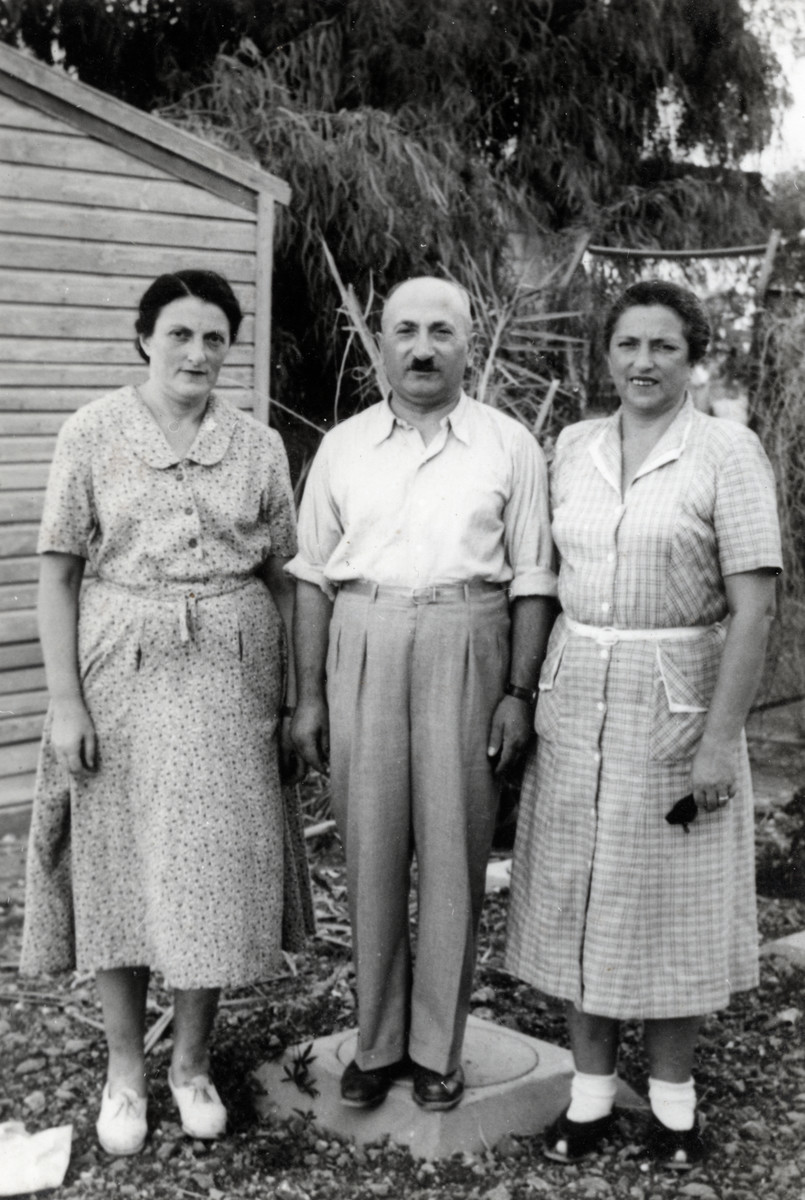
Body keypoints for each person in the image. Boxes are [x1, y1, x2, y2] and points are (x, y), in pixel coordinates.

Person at [21, 270, 313, 1156]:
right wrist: (66, 702)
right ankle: (124, 1073)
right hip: (121, 667)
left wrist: (299, 697)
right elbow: (59, 574)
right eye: (179, 334)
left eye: (214, 337)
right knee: (120, 866)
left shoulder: (258, 446)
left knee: (212, 870)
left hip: (232, 677)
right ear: (144, 337)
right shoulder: (93, 434)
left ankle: (191, 1064)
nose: (196, 353)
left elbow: (284, 577)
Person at [506, 280, 782, 1169]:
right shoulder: (572, 445)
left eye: (663, 346)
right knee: (578, 895)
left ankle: (672, 1108)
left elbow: (756, 612)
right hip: (577, 696)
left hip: (678, 705)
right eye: (627, 345)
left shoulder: (726, 452)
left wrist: (716, 741)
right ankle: (587, 1098)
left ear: (692, 356)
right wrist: (524, 692)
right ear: (605, 355)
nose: (643, 363)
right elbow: (541, 580)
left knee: (670, 908)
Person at [288, 276, 557, 1112]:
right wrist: (309, 697)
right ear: (381, 343)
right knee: (368, 850)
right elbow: (308, 579)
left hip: (468, 639)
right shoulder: (342, 447)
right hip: (361, 637)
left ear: (468, 343)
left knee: (452, 852)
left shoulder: (508, 445)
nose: (421, 348)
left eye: (441, 331)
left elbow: (533, 578)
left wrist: (518, 691)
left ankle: (437, 1048)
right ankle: (376, 1043)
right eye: (404, 331)